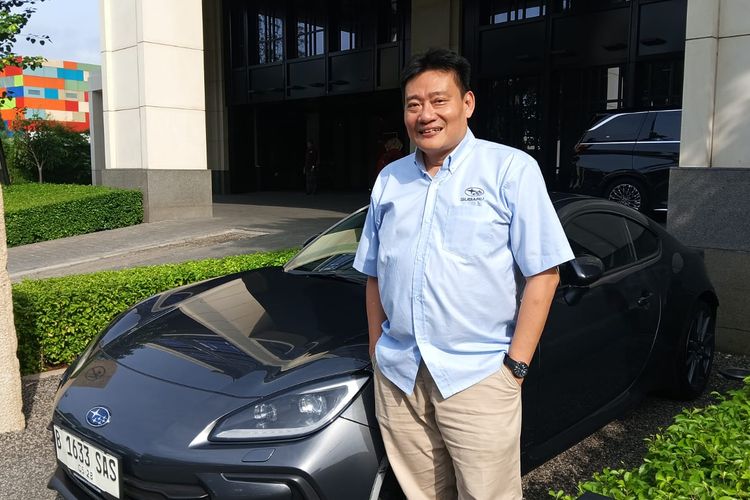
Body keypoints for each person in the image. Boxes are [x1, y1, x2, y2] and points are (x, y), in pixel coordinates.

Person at [353, 48, 574, 499]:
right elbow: (374, 272)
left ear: (467, 103)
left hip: (478, 376)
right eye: (414, 104)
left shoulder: (510, 169)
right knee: (422, 494)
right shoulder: (390, 179)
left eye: (439, 100)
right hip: (400, 376)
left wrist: (515, 367)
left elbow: (545, 273)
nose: (425, 115)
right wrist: (377, 350)